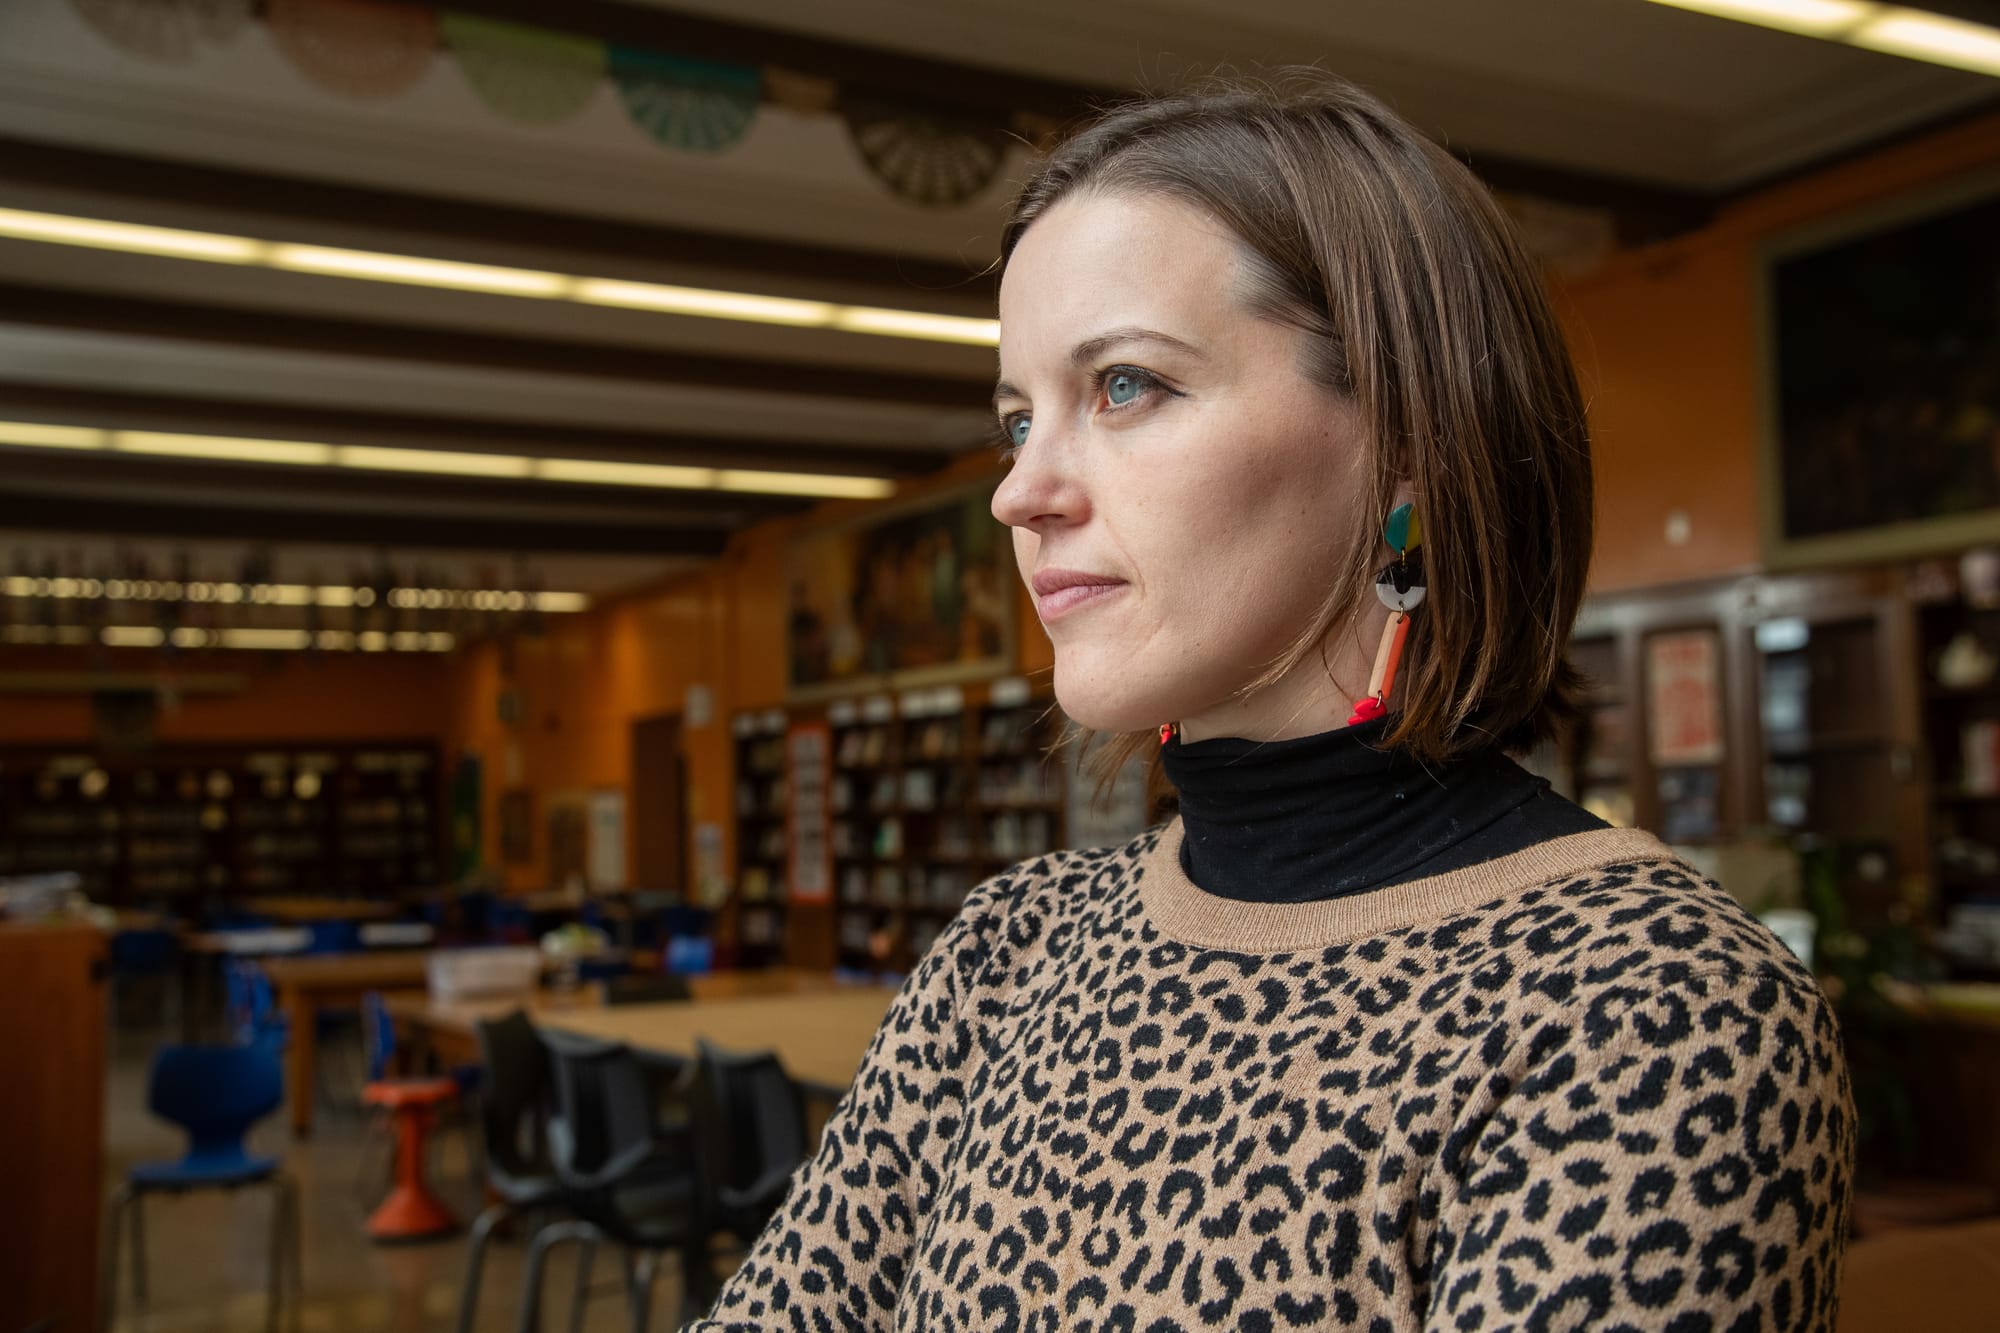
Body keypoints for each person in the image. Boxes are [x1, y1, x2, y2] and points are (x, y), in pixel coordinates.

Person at [689, 72, 1853, 1331]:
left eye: (1123, 385)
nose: (1018, 493)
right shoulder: (1008, 950)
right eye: (1018, 421)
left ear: (1409, 439)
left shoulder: (1646, 1007)